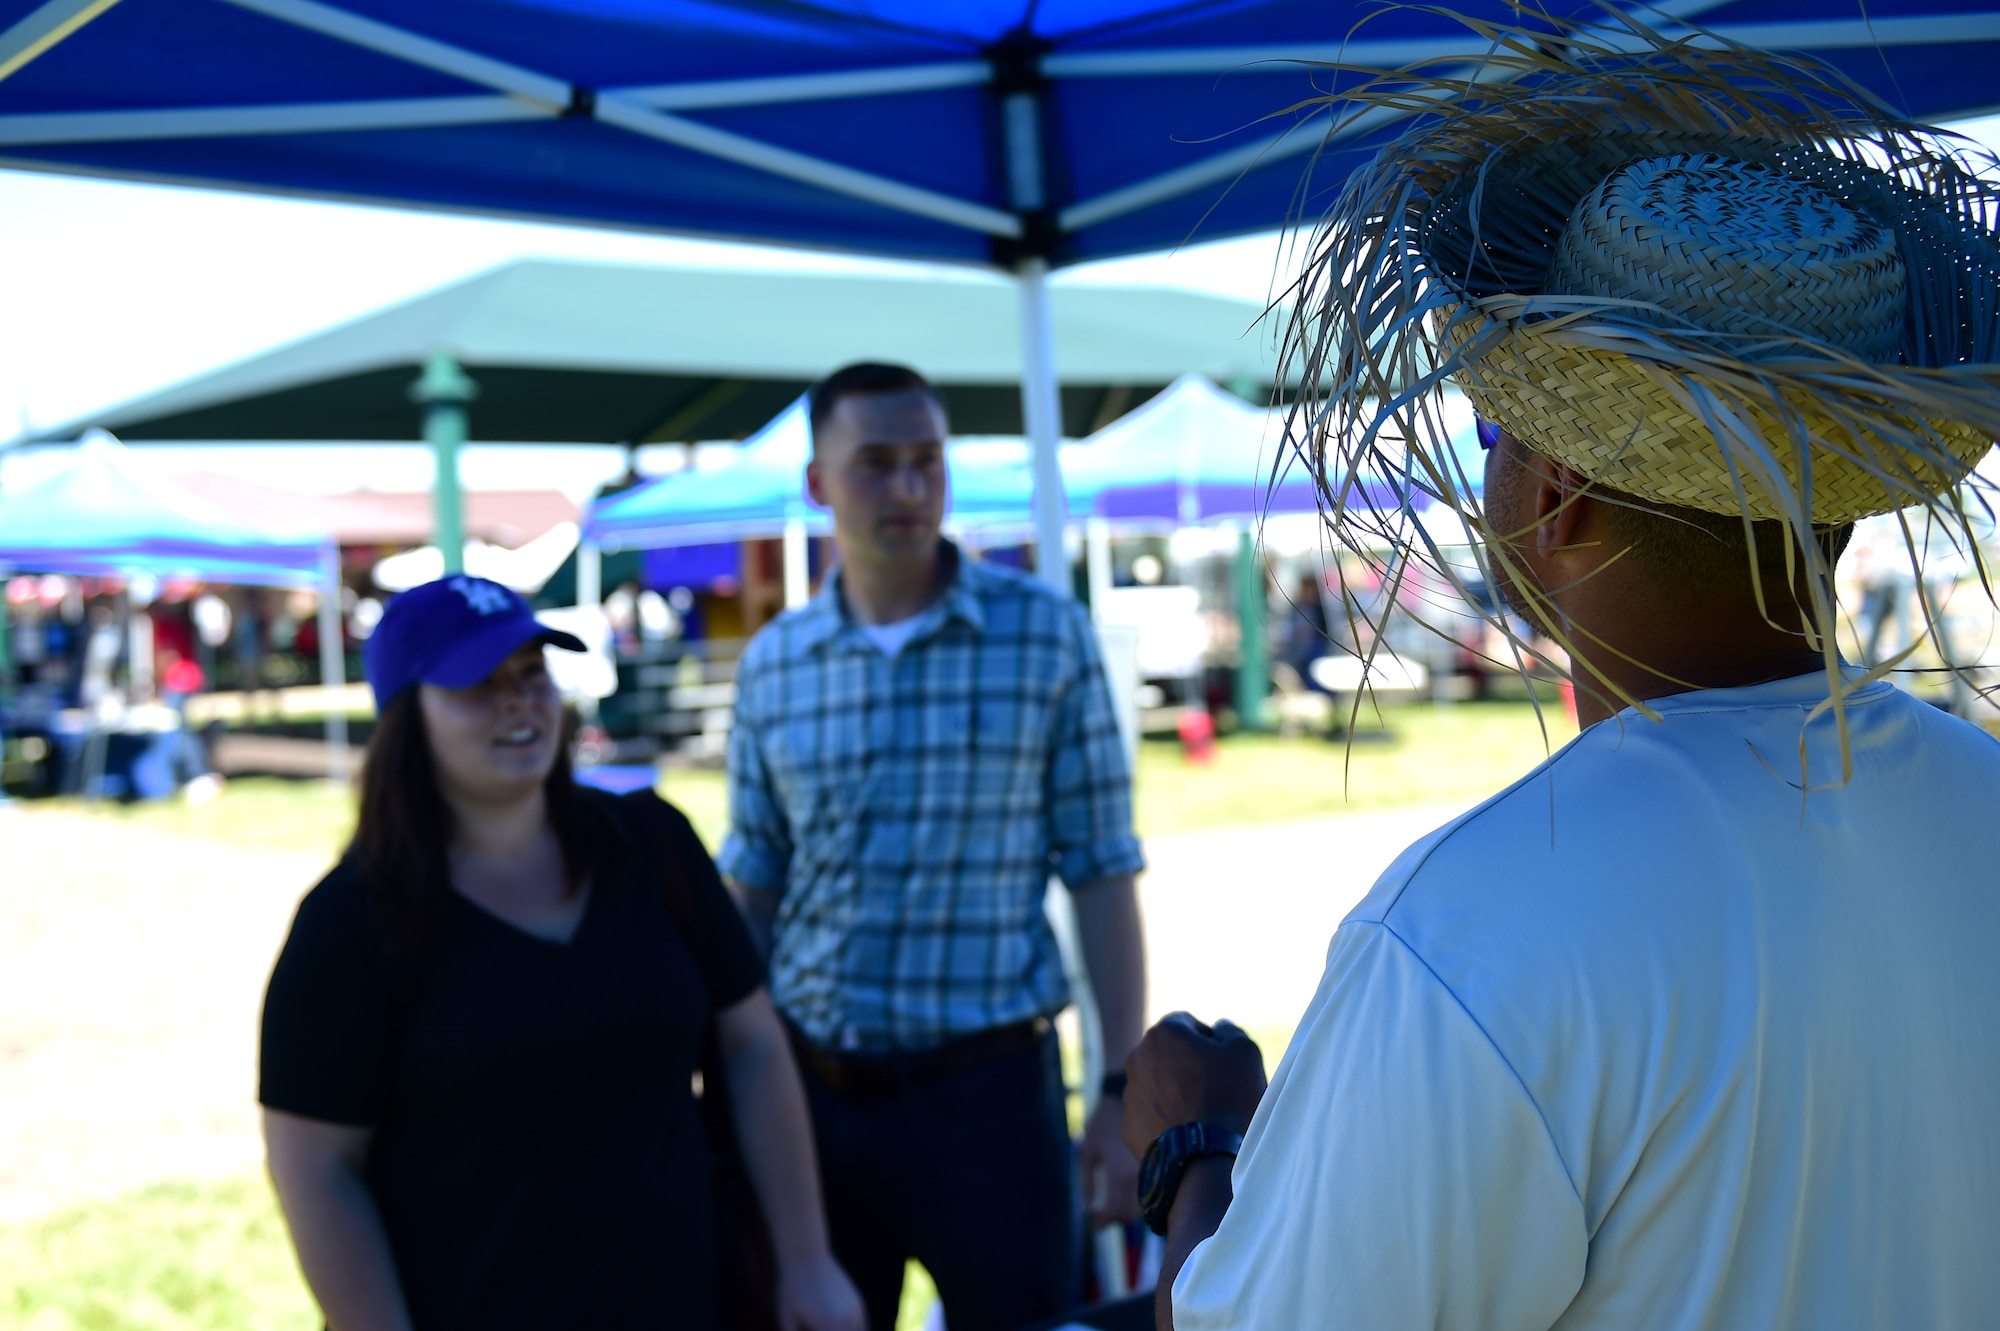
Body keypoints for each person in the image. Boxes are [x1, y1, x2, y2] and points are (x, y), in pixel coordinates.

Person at [1122, 20, 2000, 1331]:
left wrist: (1189, 1155)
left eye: (1495, 430)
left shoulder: (1476, 926)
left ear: (1557, 494)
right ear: (1845, 506)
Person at [258, 573, 864, 1331]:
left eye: (532, 673)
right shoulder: (349, 923)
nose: (519, 700)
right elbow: (315, 1166)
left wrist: (806, 1259)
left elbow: (752, 1043)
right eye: (478, 682)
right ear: (407, 719)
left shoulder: (649, 843)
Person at [721, 363, 1147, 1331]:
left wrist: (1120, 1087)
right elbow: (751, 882)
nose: (909, 487)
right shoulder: (775, 662)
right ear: (817, 482)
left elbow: (1102, 869)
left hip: (990, 1102)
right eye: (875, 463)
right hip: (811, 1104)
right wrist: (719, 1068)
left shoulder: (1043, 634)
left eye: (926, 461)